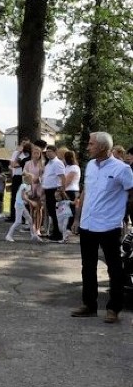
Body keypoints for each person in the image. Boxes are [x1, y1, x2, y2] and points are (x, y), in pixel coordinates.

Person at [71, 131, 133, 323]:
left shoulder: (122, 169)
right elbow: (85, 193)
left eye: (91, 144)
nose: (88, 147)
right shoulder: (90, 166)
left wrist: (126, 218)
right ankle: (89, 305)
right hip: (88, 224)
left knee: (114, 268)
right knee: (87, 266)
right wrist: (77, 219)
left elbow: (131, 194)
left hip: (109, 225)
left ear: (103, 148)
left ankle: (114, 308)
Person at [5, 171, 41, 242]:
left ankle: (33, 235)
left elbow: (27, 196)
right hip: (19, 205)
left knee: (30, 219)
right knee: (18, 221)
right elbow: (23, 196)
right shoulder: (24, 186)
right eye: (32, 179)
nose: (33, 181)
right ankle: (9, 235)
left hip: (21, 205)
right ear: (29, 180)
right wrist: (31, 202)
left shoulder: (28, 186)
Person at [40, 145, 66, 241]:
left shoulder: (57, 163)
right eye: (47, 151)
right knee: (51, 212)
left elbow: (63, 177)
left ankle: (58, 234)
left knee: (55, 213)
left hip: (54, 190)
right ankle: (54, 232)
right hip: (47, 190)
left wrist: (61, 190)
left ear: (55, 152)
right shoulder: (48, 164)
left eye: (50, 151)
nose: (48, 153)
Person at [23, 144, 44, 234]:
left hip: (39, 187)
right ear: (32, 154)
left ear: (40, 154)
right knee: (31, 208)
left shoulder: (42, 163)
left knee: (39, 208)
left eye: (38, 153)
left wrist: (38, 179)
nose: (36, 154)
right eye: (34, 153)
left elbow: (44, 175)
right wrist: (29, 175)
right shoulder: (28, 163)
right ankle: (32, 226)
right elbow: (24, 172)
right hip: (31, 187)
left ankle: (38, 228)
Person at [8, 138, 30, 221]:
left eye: (26, 144)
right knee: (14, 196)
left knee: (24, 196)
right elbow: (12, 164)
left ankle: (24, 217)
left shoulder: (28, 154)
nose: (24, 145)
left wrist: (19, 164)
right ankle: (13, 215)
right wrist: (19, 154)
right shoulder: (16, 153)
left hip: (24, 176)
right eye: (23, 143)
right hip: (17, 175)